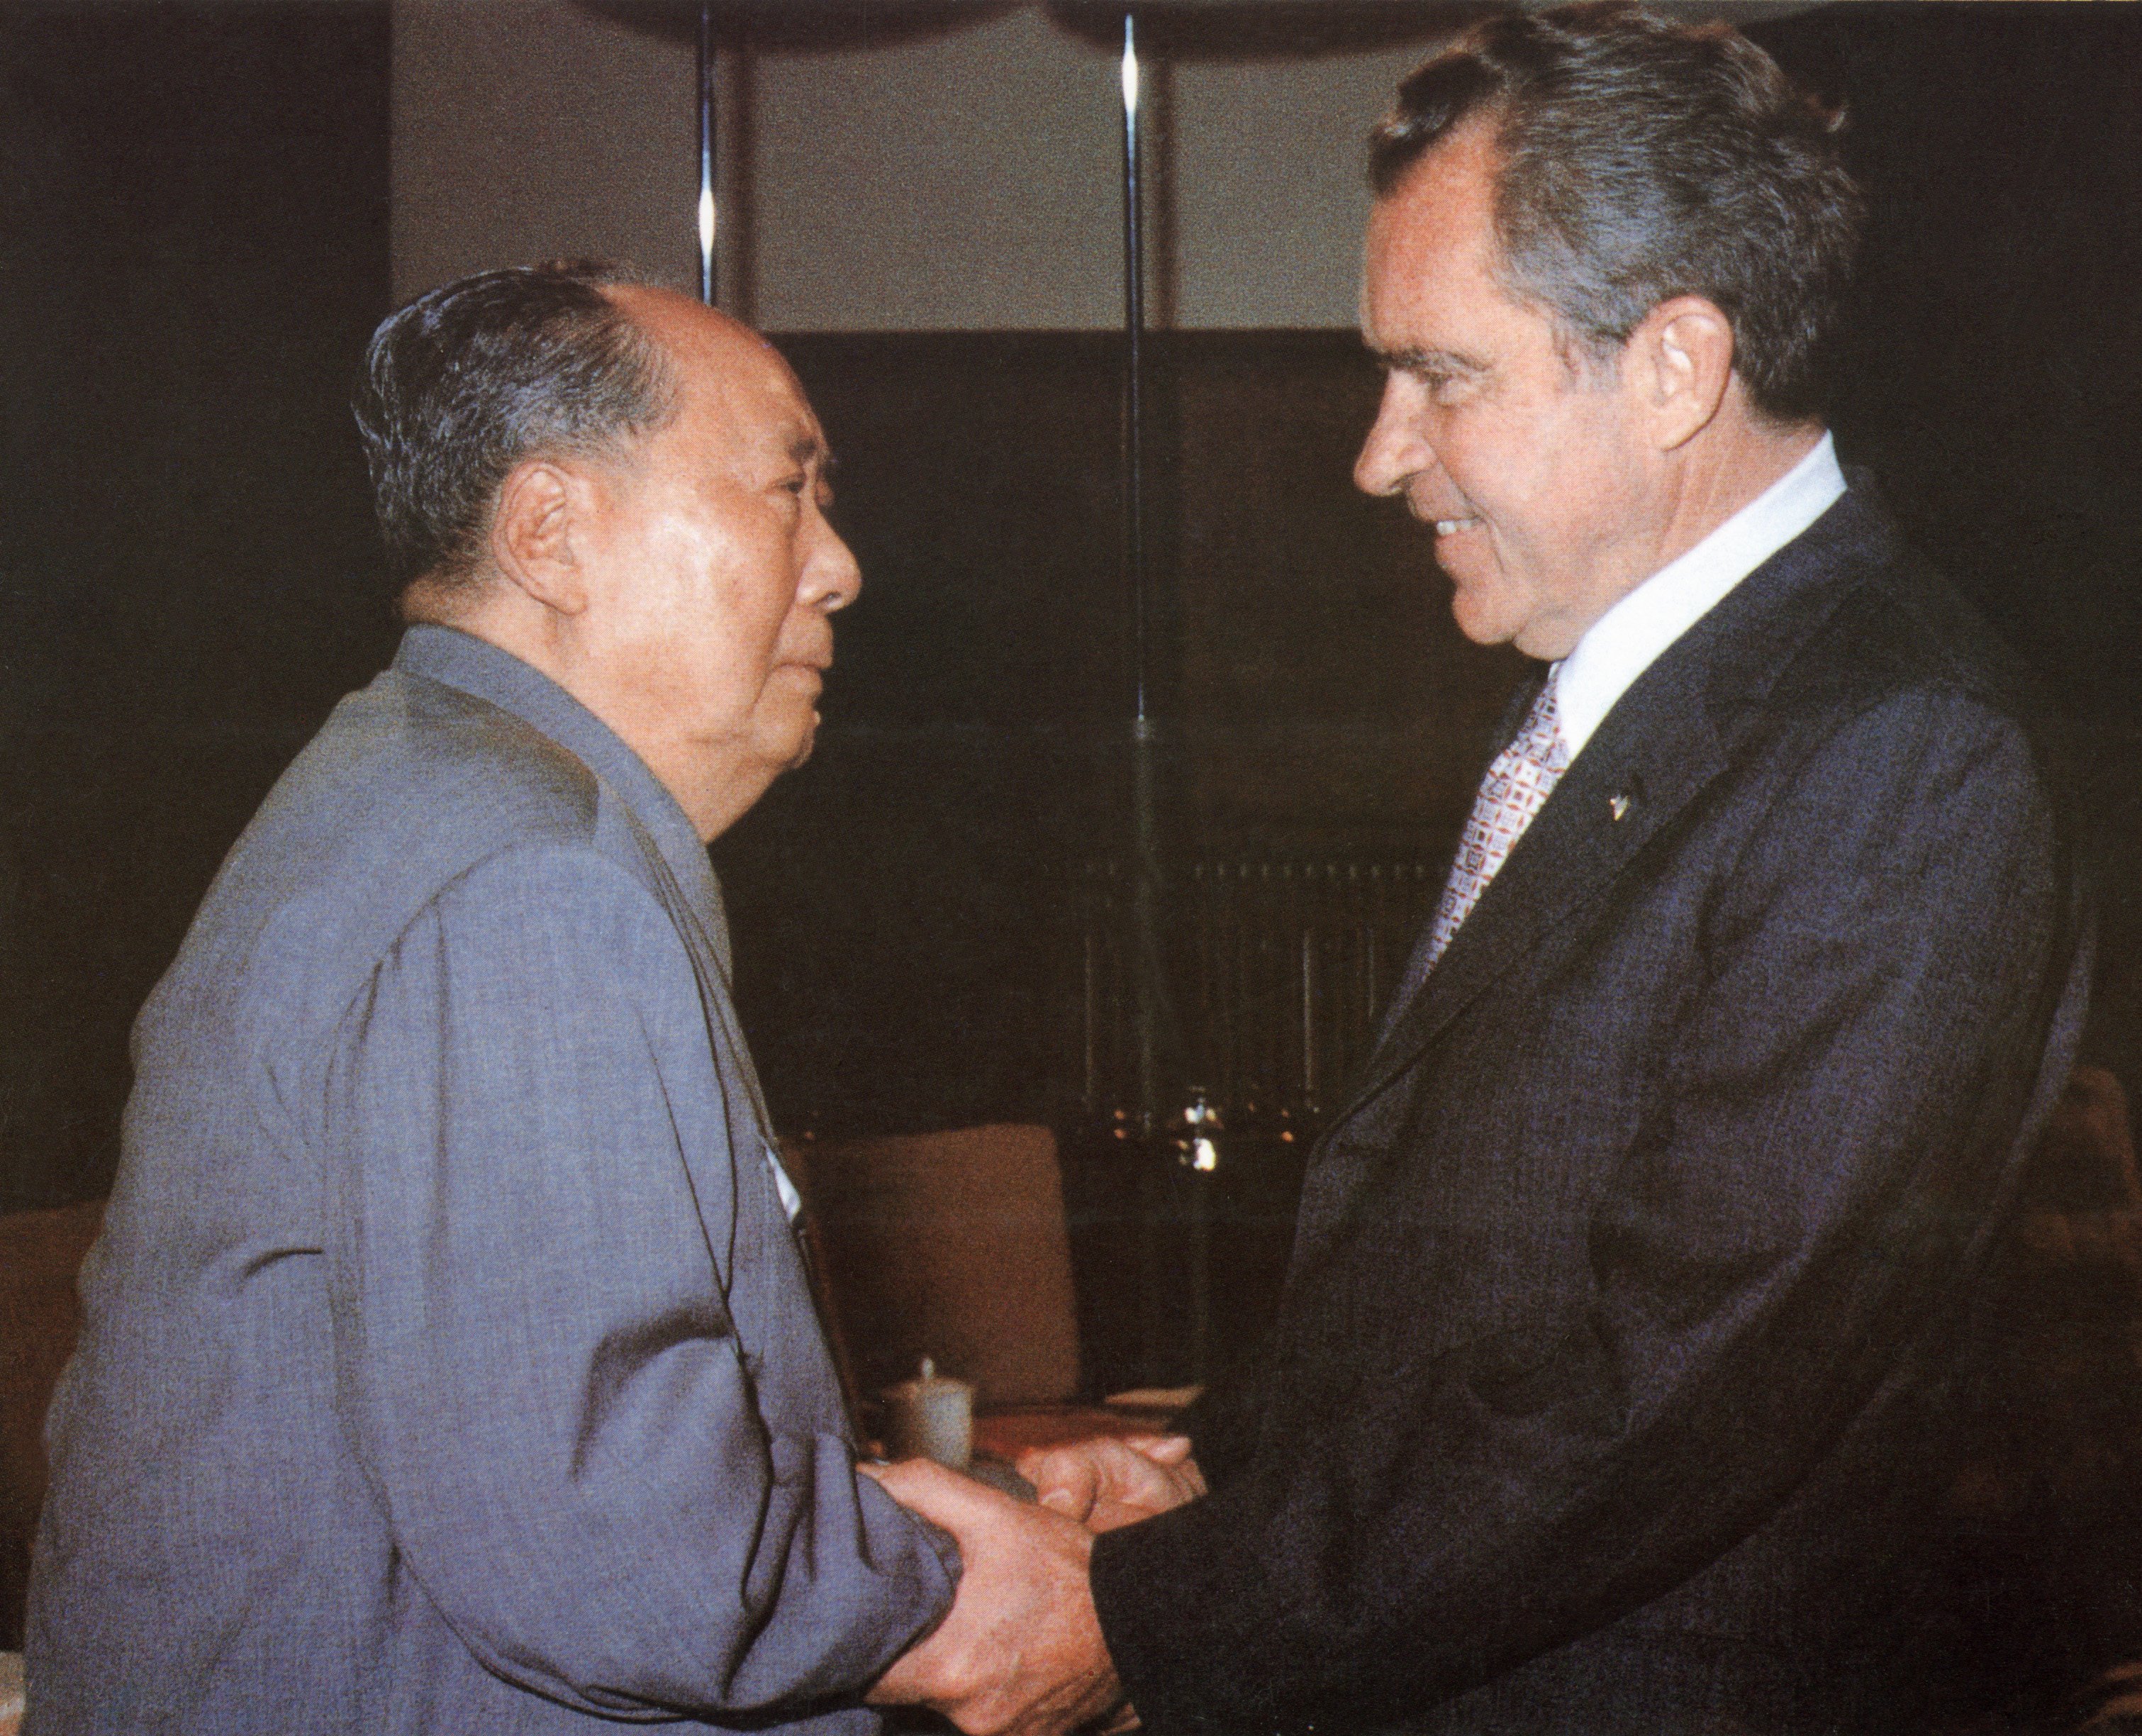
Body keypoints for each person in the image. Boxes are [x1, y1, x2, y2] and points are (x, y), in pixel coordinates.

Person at [865, 7, 2095, 1732]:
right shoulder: (1660, 692)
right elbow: (1476, 1286)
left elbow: (1680, 1382)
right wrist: (1210, 1475)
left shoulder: (1898, 750)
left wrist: (1153, 1616)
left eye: (1440, 375)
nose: (1377, 453)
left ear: (1672, 367)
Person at [25, 264, 961, 1734]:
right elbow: (626, 1564)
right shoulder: (528, 877)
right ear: (549, 533)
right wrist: (962, 1578)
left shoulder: (423, 787)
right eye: (789, 492)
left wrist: (954, 1504)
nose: (836, 566)